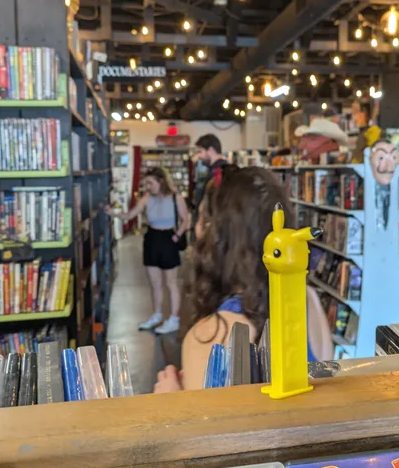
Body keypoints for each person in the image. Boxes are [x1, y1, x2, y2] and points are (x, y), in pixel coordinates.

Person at [154, 166, 333, 392]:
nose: (195, 228)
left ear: (216, 236)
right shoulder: (308, 299)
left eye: (200, 218)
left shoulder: (211, 335)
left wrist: (172, 401)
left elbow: (206, 416)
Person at [112, 167, 190, 334]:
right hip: (152, 239)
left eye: (150, 183)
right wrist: (114, 213)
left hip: (169, 239)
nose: (147, 186)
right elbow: (130, 215)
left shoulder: (176, 198)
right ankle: (156, 315)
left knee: (171, 282)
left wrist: (177, 235)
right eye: (145, 183)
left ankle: (174, 319)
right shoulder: (147, 198)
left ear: (160, 182)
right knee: (155, 283)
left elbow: (185, 220)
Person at [193, 134, 228, 212]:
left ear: (211, 150)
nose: (198, 156)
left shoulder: (219, 172)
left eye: (200, 152)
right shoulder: (213, 170)